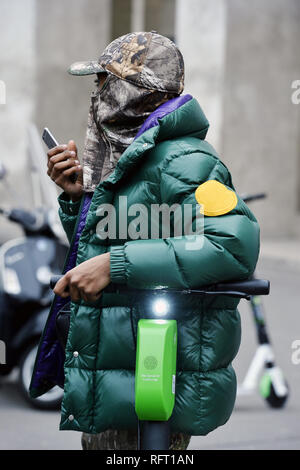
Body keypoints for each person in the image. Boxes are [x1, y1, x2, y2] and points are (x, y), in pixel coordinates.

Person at [30, 31, 260, 450]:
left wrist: (113, 265)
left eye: (104, 82)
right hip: (116, 370)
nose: (96, 93)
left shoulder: (187, 160)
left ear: (132, 90)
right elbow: (105, 240)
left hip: (155, 375)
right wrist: (73, 196)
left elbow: (231, 246)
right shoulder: (128, 155)